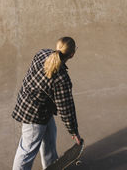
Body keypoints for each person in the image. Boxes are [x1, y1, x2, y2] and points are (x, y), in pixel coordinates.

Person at [12, 37, 82, 170]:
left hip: (36, 105)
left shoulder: (42, 53)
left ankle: (50, 166)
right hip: (33, 114)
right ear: (72, 54)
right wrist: (74, 132)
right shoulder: (62, 79)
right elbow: (66, 109)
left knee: (49, 138)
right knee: (27, 150)